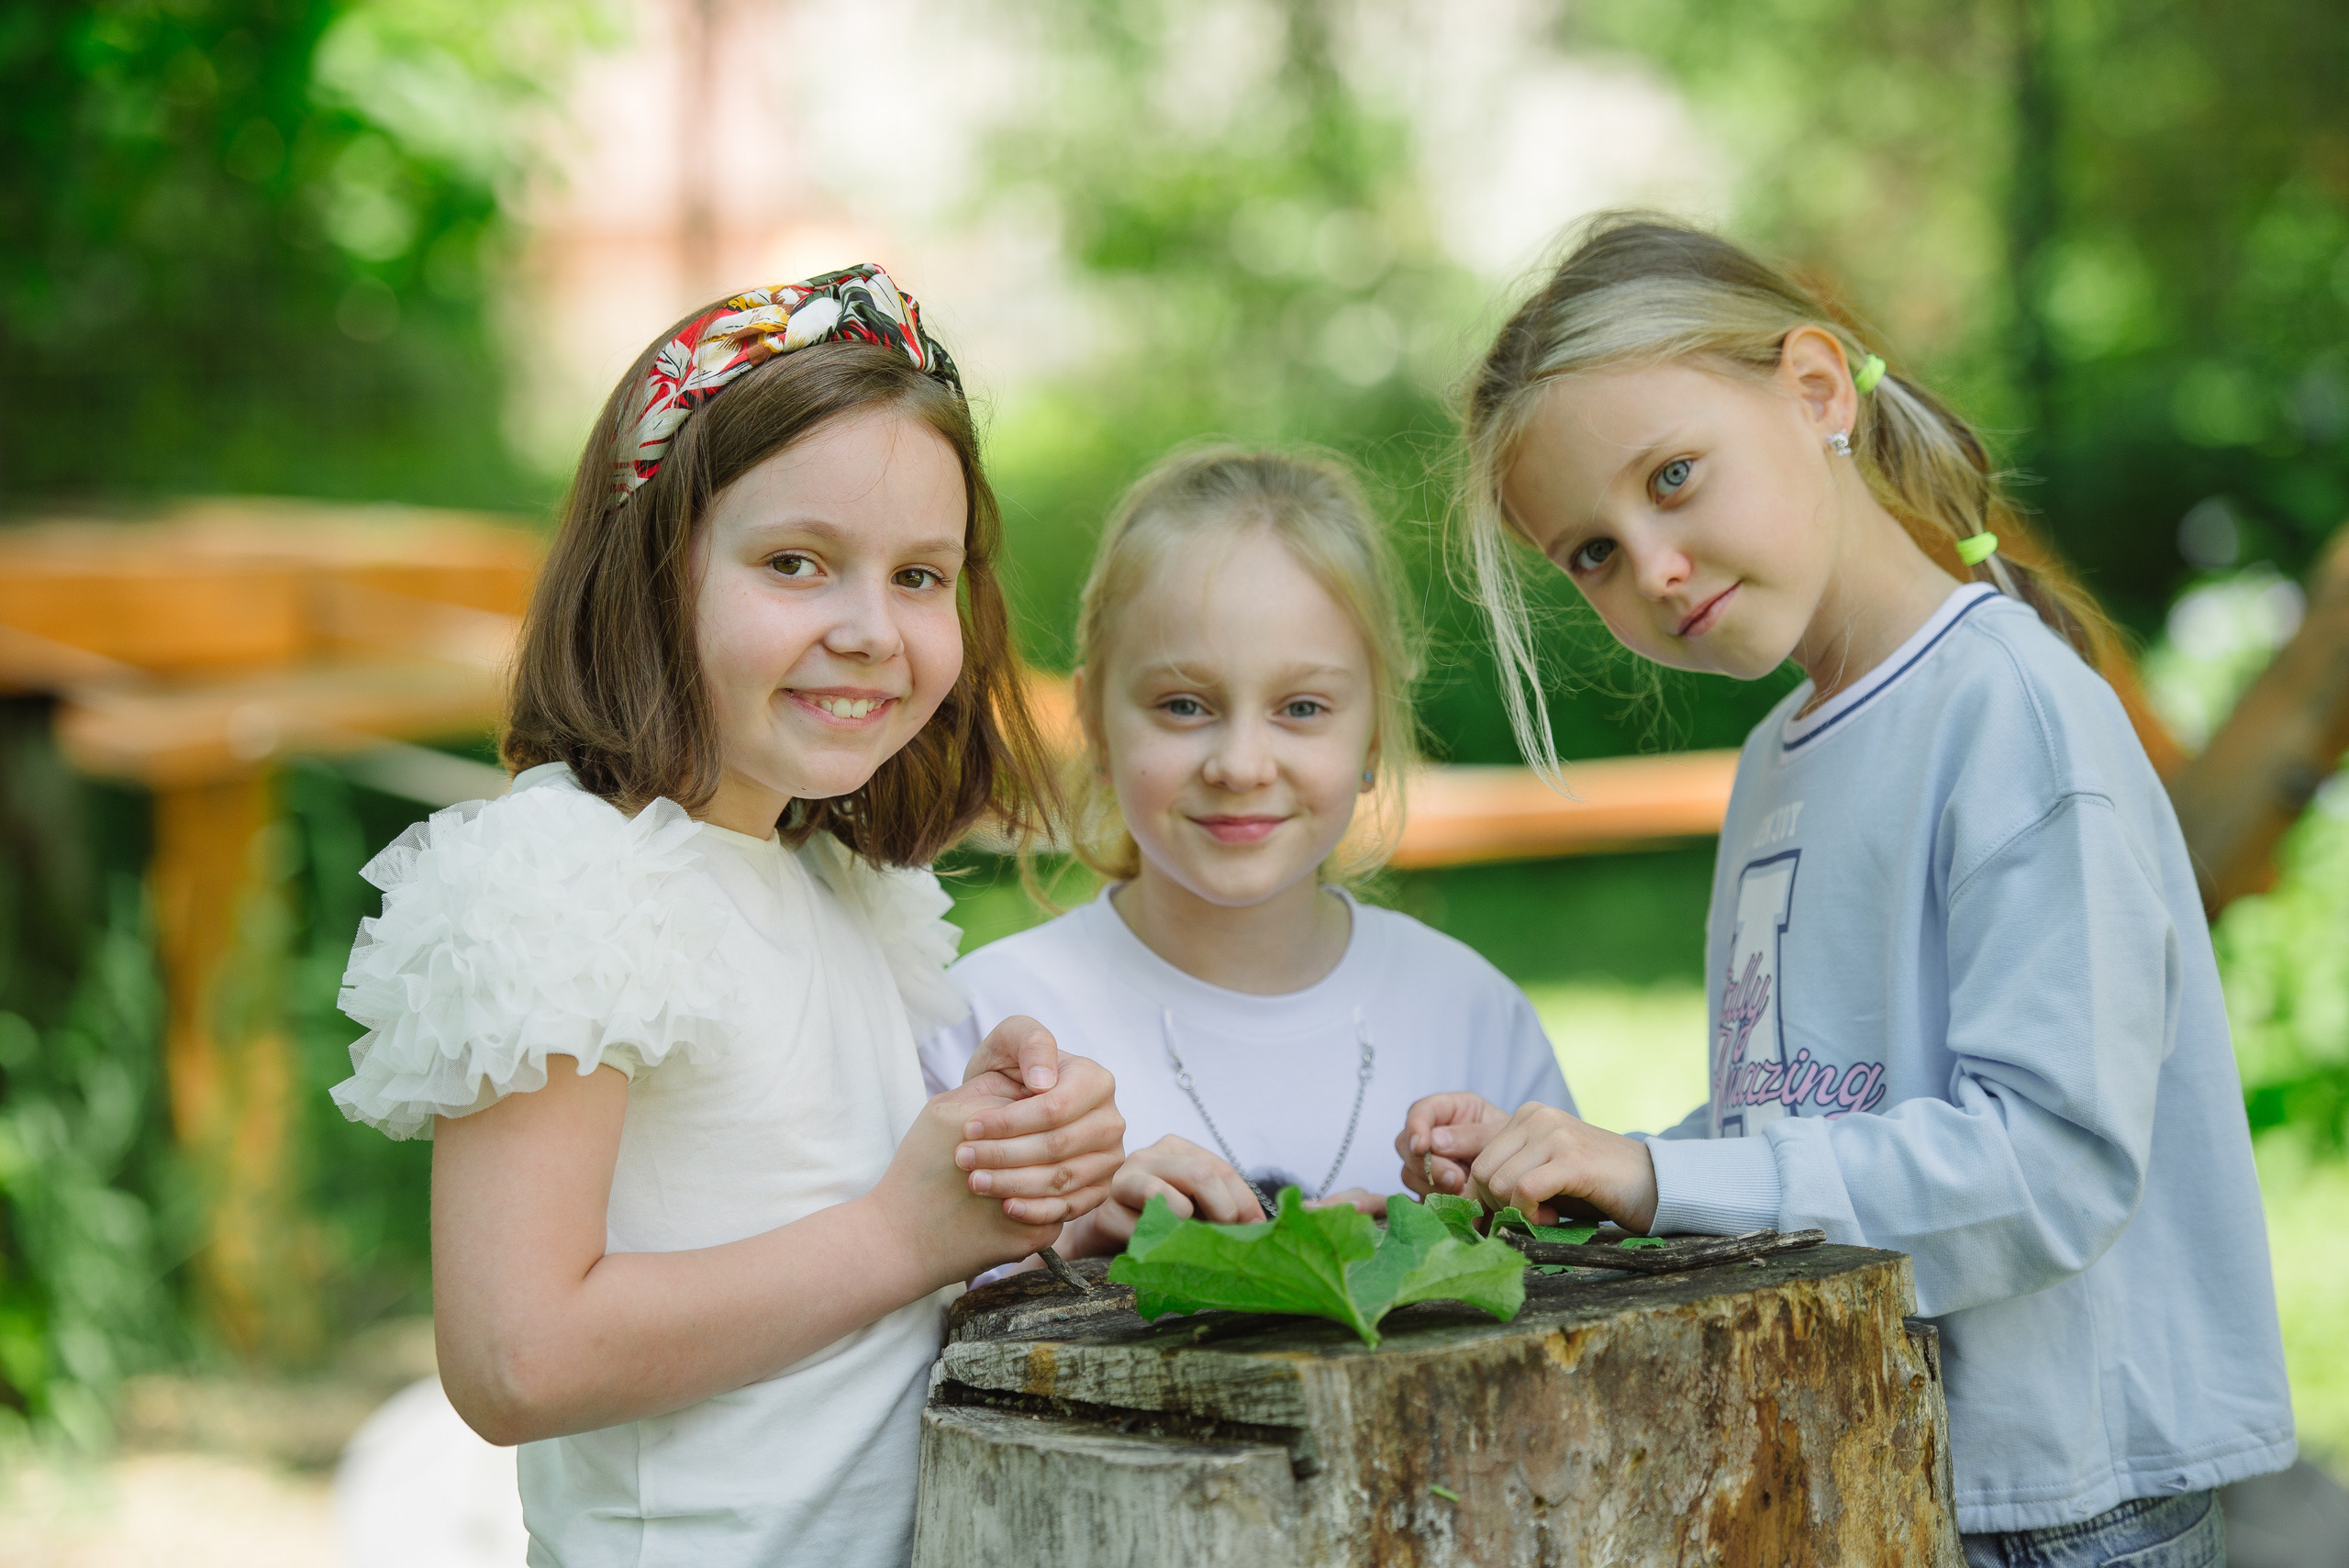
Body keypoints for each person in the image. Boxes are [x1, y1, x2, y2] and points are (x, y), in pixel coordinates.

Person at [1407, 215, 2295, 1564]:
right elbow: (1809, 1113)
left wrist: (1657, 1175)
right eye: (1590, 552)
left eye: (1673, 476)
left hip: (2056, 1509)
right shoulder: (1777, 758)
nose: (1652, 567)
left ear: (1817, 391)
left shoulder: (2008, 711)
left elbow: (2047, 1165)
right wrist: (1595, 1178)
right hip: (1867, 1471)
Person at [328, 265, 1126, 1568]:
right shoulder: (566, 879)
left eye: (919, 575)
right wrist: (902, 1231)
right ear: (652, 571)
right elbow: (517, 1356)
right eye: (795, 563)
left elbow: (823, 1252)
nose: (871, 629)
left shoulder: (834, 880)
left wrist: (1003, 1173)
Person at [923, 447, 1572, 1251]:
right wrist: (1079, 1243)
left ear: (1374, 731)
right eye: (1183, 704)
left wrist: (1506, 1218)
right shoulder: (988, 1029)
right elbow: (916, 1306)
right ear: (1094, 721)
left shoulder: (1474, 1019)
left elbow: (1584, 1275)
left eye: (1301, 707)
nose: (1240, 765)